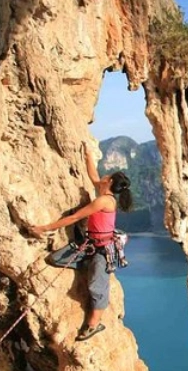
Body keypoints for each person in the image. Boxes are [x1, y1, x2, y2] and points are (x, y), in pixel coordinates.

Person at [30, 143, 132, 341]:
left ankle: (93, 325)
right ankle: (87, 264)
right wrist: (87, 155)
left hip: (103, 250)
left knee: (96, 286)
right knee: (56, 258)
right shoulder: (102, 192)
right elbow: (93, 176)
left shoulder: (104, 201)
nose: (102, 176)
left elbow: (74, 218)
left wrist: (43, 228)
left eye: (107, 175)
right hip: (91, 245)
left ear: (109, 181)